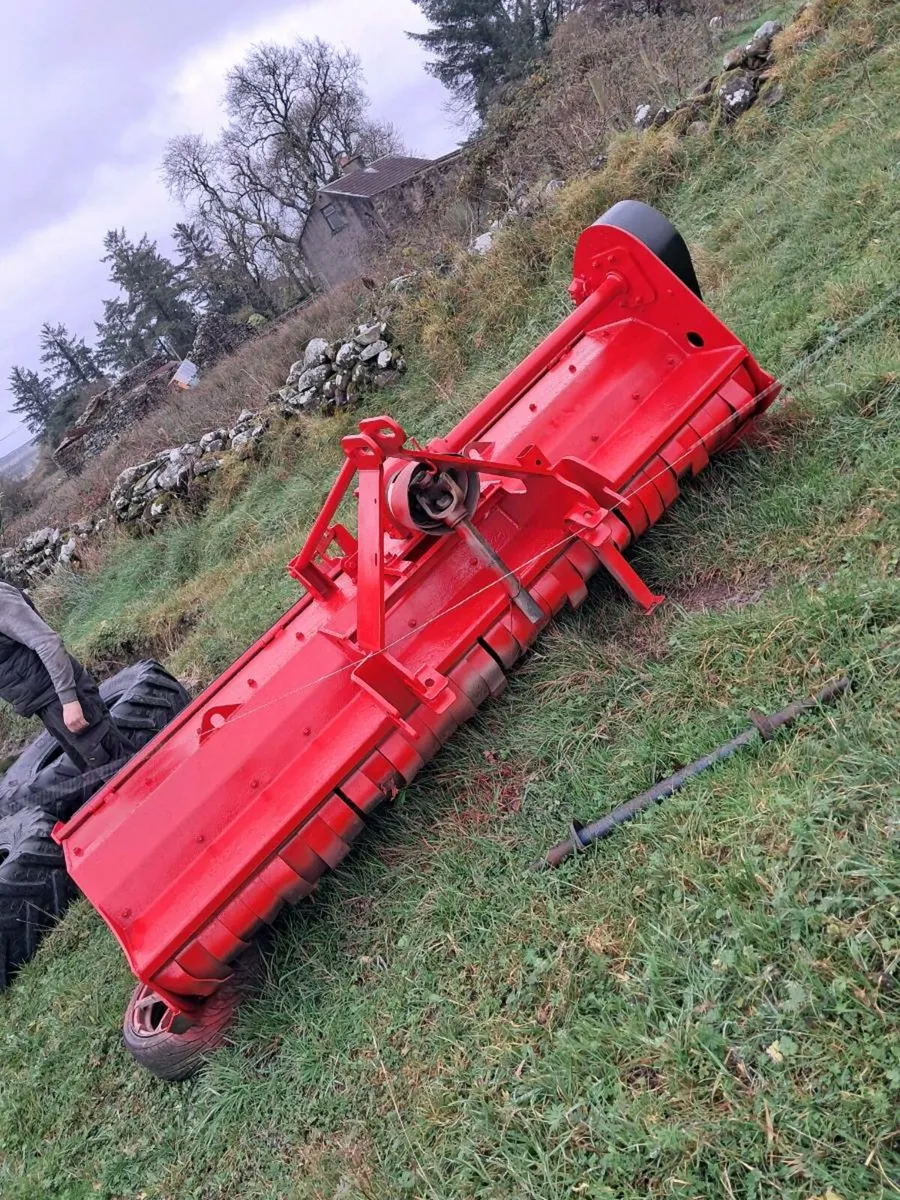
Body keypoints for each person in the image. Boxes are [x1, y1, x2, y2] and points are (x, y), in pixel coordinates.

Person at [0, 580, 126, 771]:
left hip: (60, 697)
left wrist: (69, 700)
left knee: (120, 768)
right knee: (97, 776)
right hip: (43, 705)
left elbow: (47, 643)